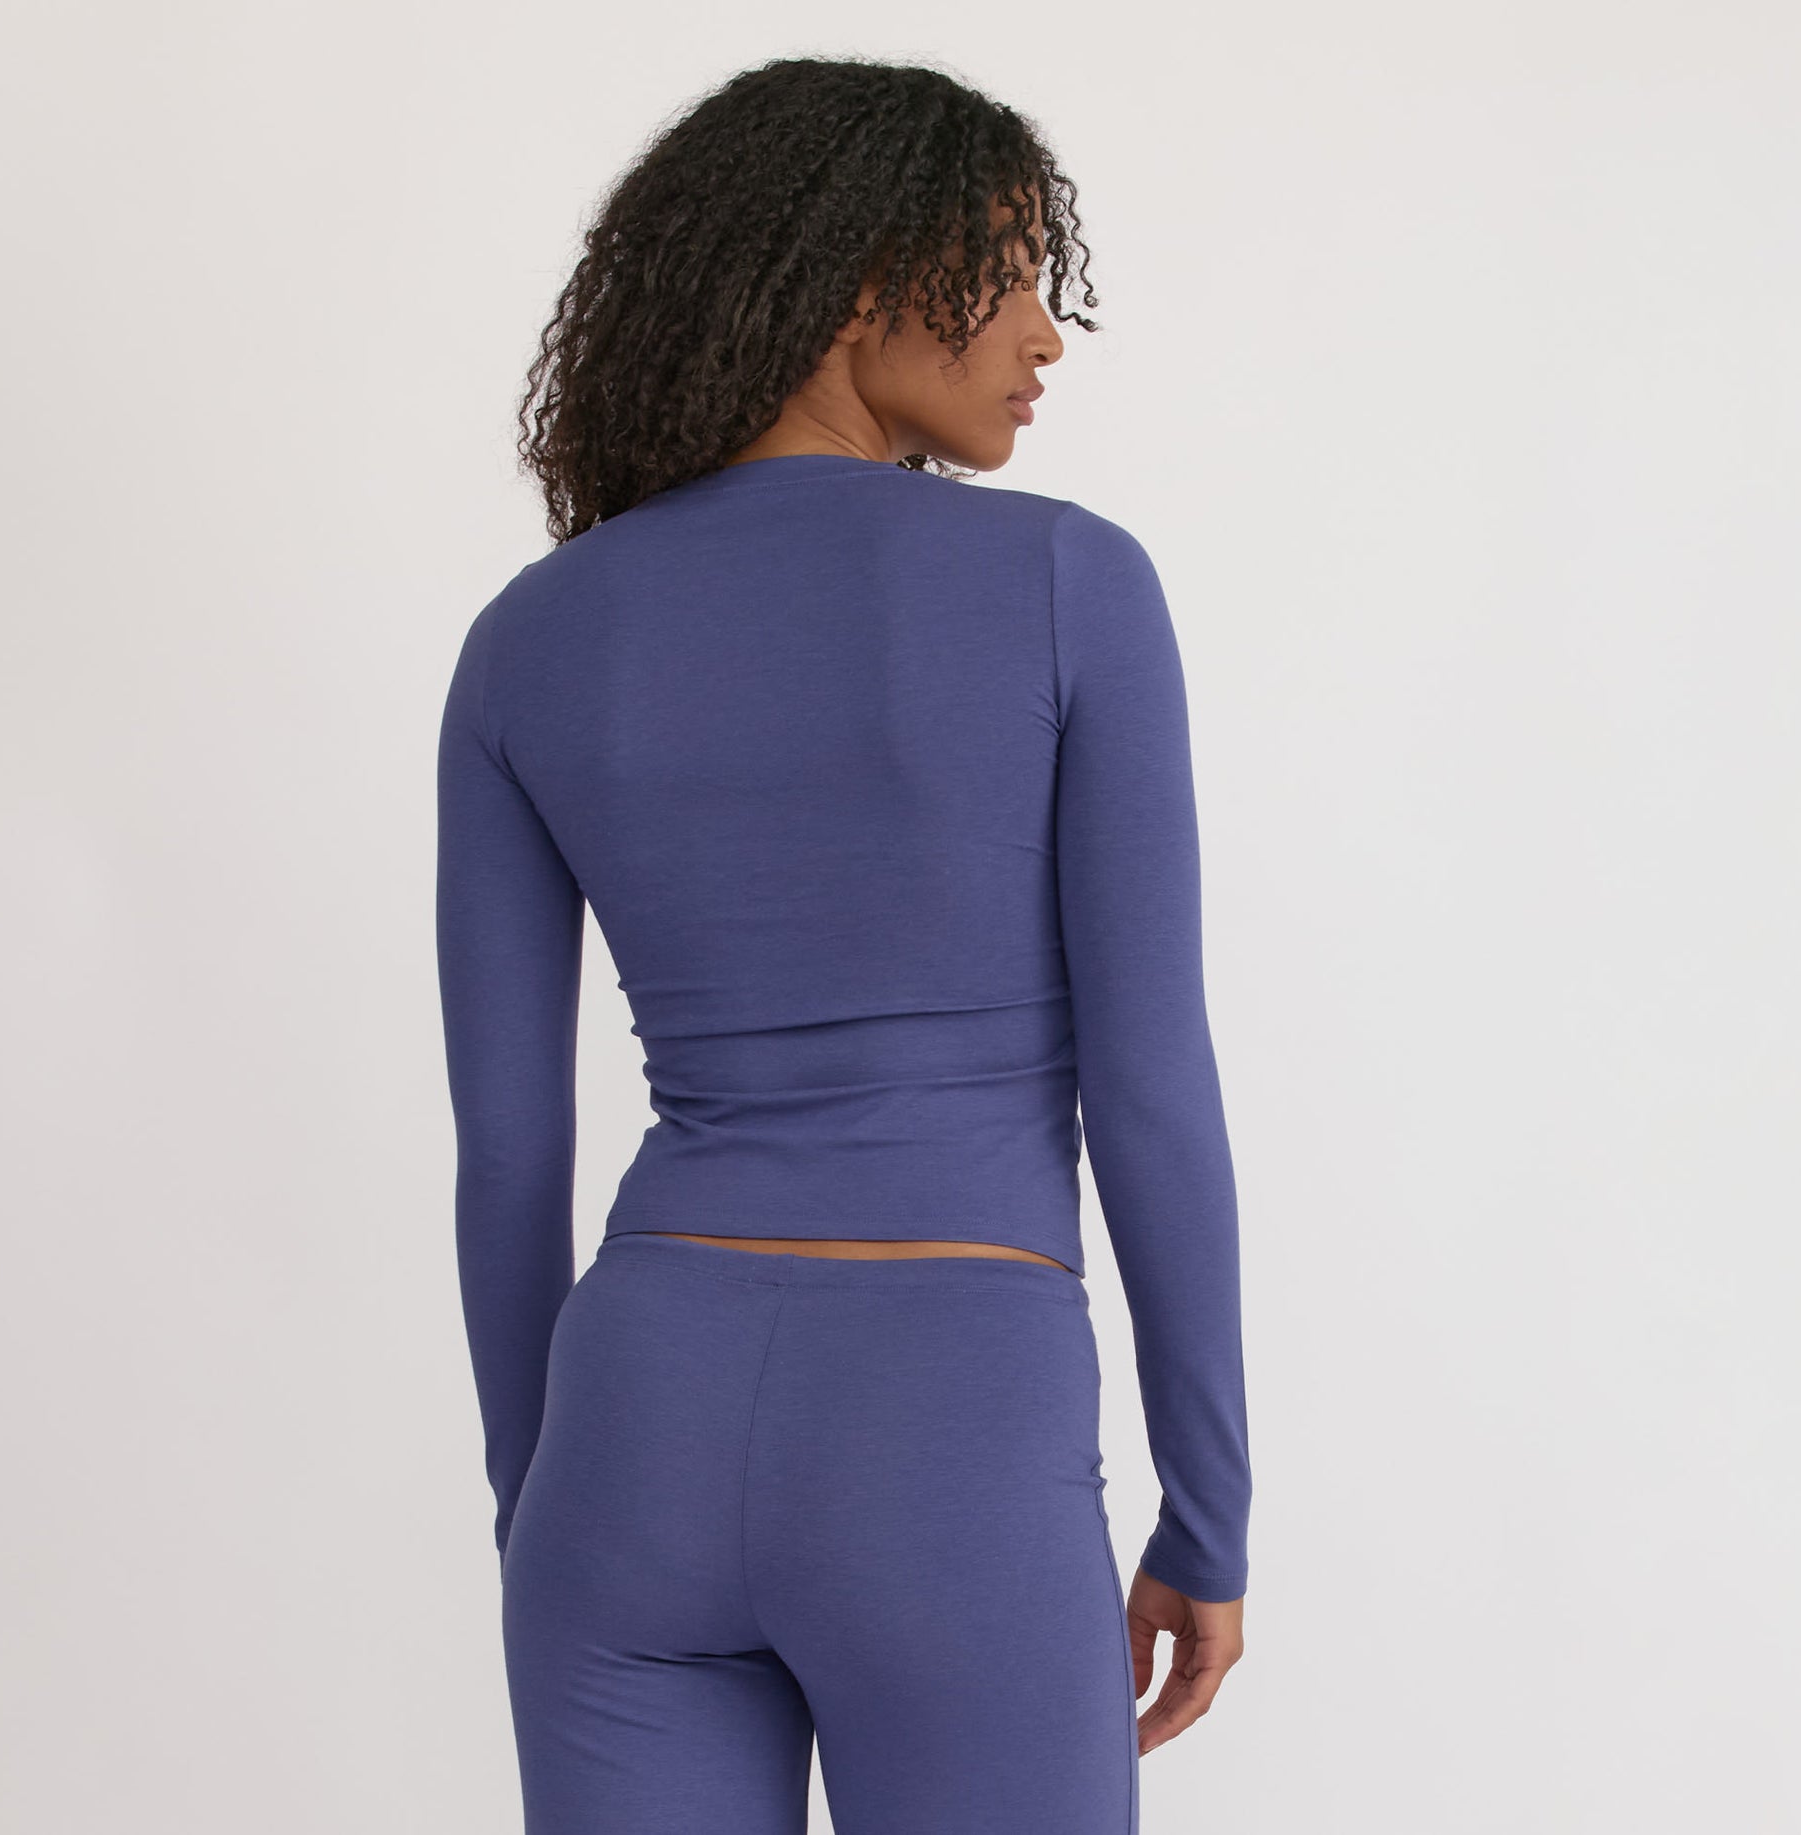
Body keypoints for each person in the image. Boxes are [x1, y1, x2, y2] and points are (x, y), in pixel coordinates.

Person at [435, 54, 1251, 1835]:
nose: (1043, 335)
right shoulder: (1067, 583)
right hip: (949, 1423)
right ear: (859, 277)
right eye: (1007, 272)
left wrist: (539, 1500)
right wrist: (1209, 1511)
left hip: (630, 1429)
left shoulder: (528, 640)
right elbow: (1148, 1086)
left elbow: (506, 1151)